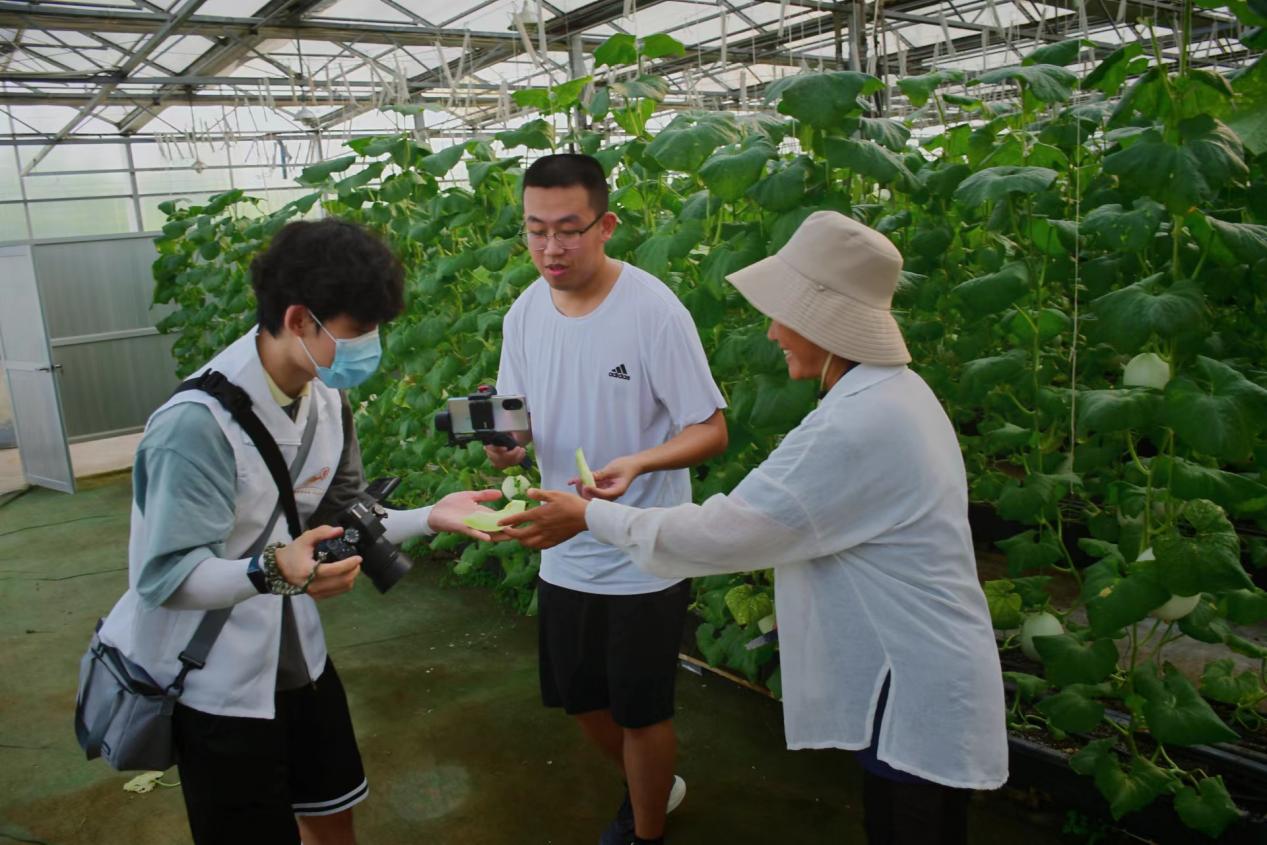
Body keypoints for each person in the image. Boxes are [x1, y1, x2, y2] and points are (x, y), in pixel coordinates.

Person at [500, 211, 1009, 845]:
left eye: (784, 315)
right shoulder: (890, 394)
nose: (772, 333)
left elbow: (728, 532)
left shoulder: (857, 425)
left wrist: (589, 515)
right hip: (911, 665)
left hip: (910, 679)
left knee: (911, 824)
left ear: (826, 323)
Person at [96, 219, 502, 845]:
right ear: (297, 319)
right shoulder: (196, 427)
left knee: (332, 818)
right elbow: (164, 578)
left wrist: (430, 516)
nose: (369, 345)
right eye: (355, 331)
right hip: (216, 683)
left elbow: (342, 512)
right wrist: (271, 571)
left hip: (299, 663)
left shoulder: (324, 397)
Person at [484, 153, 728, 845]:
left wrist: (639, 461)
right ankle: (651, 787)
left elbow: (710, 427)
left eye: (569, 229)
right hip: (564, 547)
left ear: (606, 225)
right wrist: (507, 449)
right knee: (582, 700)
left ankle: (646, 827)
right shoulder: (525, 312)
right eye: (535, 230)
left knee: (642, 710)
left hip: (642, 549)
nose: (550, 248)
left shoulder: (651, 310)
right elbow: (518, 419)